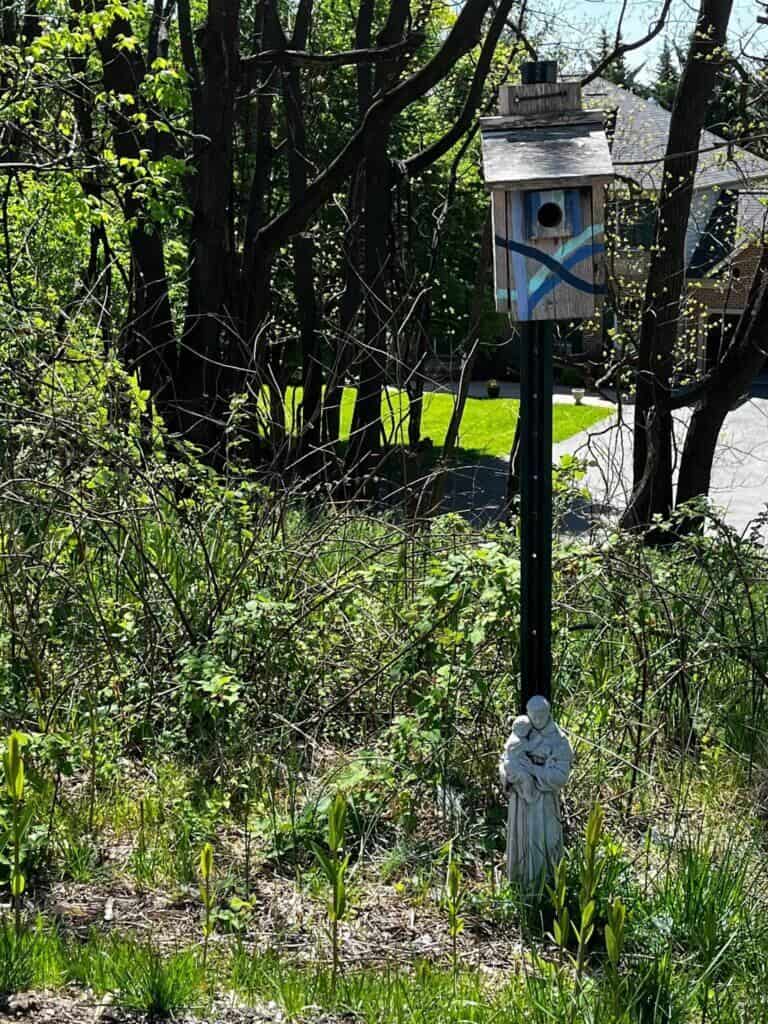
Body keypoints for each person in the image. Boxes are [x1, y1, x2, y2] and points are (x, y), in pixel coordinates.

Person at [500, 695, 573, 888]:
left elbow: (560, 777)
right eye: (534, 715)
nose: (537, 719)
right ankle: (520, 886)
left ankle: (548, 888)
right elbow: (505, 759)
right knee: (522, 843)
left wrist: (533, 770)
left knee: (545, 843)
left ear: (549, 713)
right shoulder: (523, 730)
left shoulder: (559, 741)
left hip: (544, 803)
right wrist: (510, 774)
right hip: (520, 803)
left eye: (542, 714)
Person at [499, 715, 538, 804]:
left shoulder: (516, 737)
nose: (527, 731)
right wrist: (539, 740)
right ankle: (528, 796)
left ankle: (521, 792)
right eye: (526, 729)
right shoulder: (517, 741)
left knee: (526, 777)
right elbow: (530, 747)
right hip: (513, 765)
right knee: (526, 778)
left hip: (515, 763)